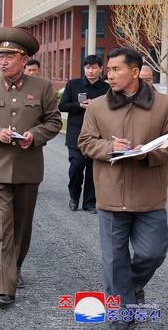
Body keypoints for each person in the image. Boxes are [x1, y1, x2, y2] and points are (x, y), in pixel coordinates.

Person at [0, 27, 62, 306]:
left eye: (11, 56)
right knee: (1, 228)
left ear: (24, 59)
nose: (4, 61)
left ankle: (15, 266)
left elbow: (54, 122)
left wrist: (35, 136)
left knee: (21, 228)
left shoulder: (43, 87)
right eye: (1, 56)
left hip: (27, 169)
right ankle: (5, 287)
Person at [78, 47, 168, 330]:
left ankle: (127, 288)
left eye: (116, 70)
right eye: (108, 70)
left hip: (150, 195)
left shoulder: (164, 105)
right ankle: (121, 313)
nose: (110, 75)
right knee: (114, 259)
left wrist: (148, 154)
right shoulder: (97, 106)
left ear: (135, 71)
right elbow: (85, 142)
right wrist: (109, 147)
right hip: (110, 194)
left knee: (152, 253)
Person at [58, 55, 109, 214]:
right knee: (76, 166)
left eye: (94, 67)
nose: (91, 71)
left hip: (98, 136)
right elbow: (62, 105)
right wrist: (79, 105)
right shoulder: (73, 84)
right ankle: (74, 196)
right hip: (76, 135)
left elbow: (112, 109)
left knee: (94, 170)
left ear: (100, 69)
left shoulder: (106, 88)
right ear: (84, 68)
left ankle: (90, 202)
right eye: (88, 67)